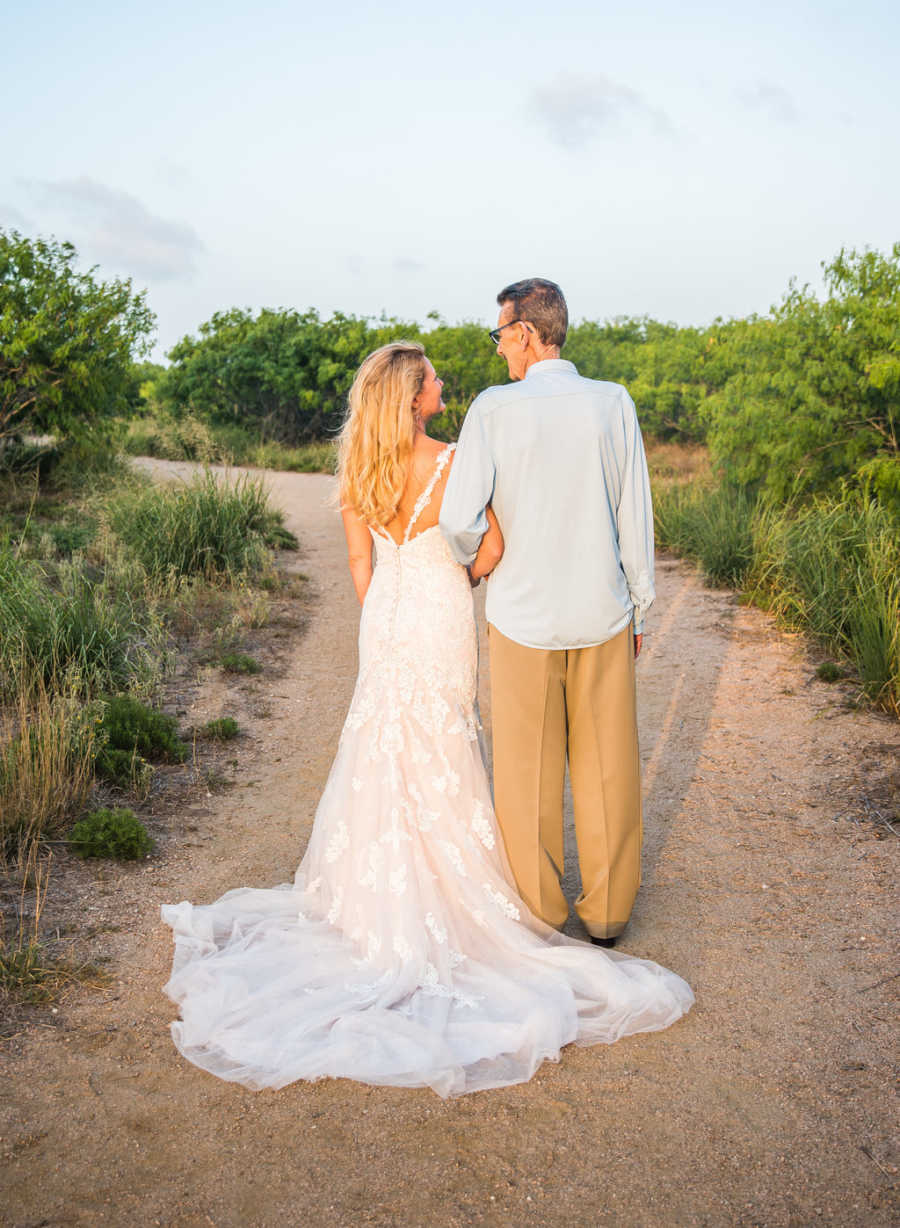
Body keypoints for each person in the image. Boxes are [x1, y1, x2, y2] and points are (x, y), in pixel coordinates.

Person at [160, 341, 692, 1098]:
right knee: (445, 738)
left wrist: (383, 606)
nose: (445, 382)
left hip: (386, 616)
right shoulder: (451, 460)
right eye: (434, 377)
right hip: (441, 613)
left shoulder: (358, 469)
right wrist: (464, 577)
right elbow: (490, 548)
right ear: (414, 397)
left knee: (380, 743)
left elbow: (357, 563)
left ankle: (372, 897)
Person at [440, 278, 652, 948]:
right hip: (602, 611)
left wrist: (481, 559)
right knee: (609, 767)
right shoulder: (611, 403)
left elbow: (458, 520)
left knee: (526, 775)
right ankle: (609, 913)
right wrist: (640, 609)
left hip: (522, 618)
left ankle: (542, 911)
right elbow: (634, 514)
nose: (500, 348)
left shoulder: (494, 410)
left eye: (501, 334)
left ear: (527, 333)